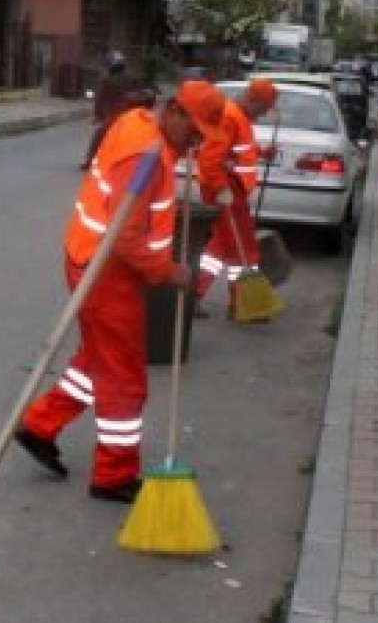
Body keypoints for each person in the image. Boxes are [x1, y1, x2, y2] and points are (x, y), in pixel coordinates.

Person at [16, 80, 227, 504]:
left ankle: (40, 425)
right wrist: (170, 271)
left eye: (203, 137)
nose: (196, 142)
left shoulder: (140, 126)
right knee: (126, 380)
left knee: (96, 361)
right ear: (175, 112)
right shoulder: (145, 156)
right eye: (194, 132)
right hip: (107, 272)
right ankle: (114, 474)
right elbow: (125, 237)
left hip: (90, 261)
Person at [193, 77, 279, 319]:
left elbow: (237, 151)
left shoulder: (239, 118)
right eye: (262, 109)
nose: (262, 115)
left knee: (226, 245)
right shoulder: (231, 116)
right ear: (252, 99)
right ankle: (240, 303)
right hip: (226, 190)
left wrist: (262, 152)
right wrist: (221, 189)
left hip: (231, 190)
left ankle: (202, 295)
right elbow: (210, 158)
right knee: (239, 247)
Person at [79, 51, 154, 170]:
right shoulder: (132, 77)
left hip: (114, 116)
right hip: (132, 115)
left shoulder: (106, 80)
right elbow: (144, 93)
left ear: (110, 65)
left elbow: (99, 99)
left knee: (98, 134)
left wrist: (97, 115)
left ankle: (89, 160)